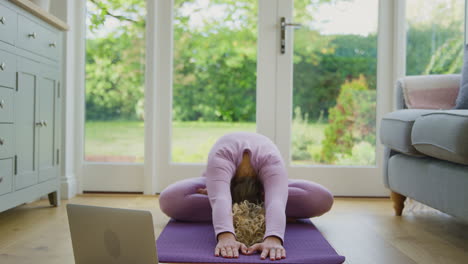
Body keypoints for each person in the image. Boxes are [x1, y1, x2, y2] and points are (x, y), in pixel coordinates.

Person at [159, 132, 334, 261]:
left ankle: (262, 195)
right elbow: (220, 198)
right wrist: (226, 236)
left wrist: (273, 238)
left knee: (322, 198)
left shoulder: (270, 159)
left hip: (263, 187)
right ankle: (230, 199)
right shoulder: (221, 157)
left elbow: (276, 201)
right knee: (169, 200)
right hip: (224, 184)